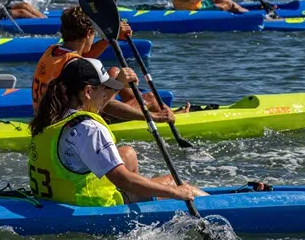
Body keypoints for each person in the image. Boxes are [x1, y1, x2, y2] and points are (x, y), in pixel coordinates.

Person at [28, 57, 206, 206]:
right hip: (90, 206)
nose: (107, 95)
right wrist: (175, 192)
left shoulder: (52, 115)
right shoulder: (90, 129)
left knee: (127, 154)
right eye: (104, 89)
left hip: (54, 196)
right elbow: (123, 180)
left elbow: (89, 115)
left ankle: (142, 200)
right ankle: (219, 205)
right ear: (88, 91)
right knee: (171, 181)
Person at [31, 6, 177, 117]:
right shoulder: (78, 67)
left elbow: (85, 53)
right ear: (88, 33)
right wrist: (152, 117)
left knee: (113, 72)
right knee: (150, 98)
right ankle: (164, 113)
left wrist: (109, 38)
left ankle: (155, 108)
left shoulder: (53, 50)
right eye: (94, 33)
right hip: (68, 123)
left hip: (44, 117)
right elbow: (101, 106)